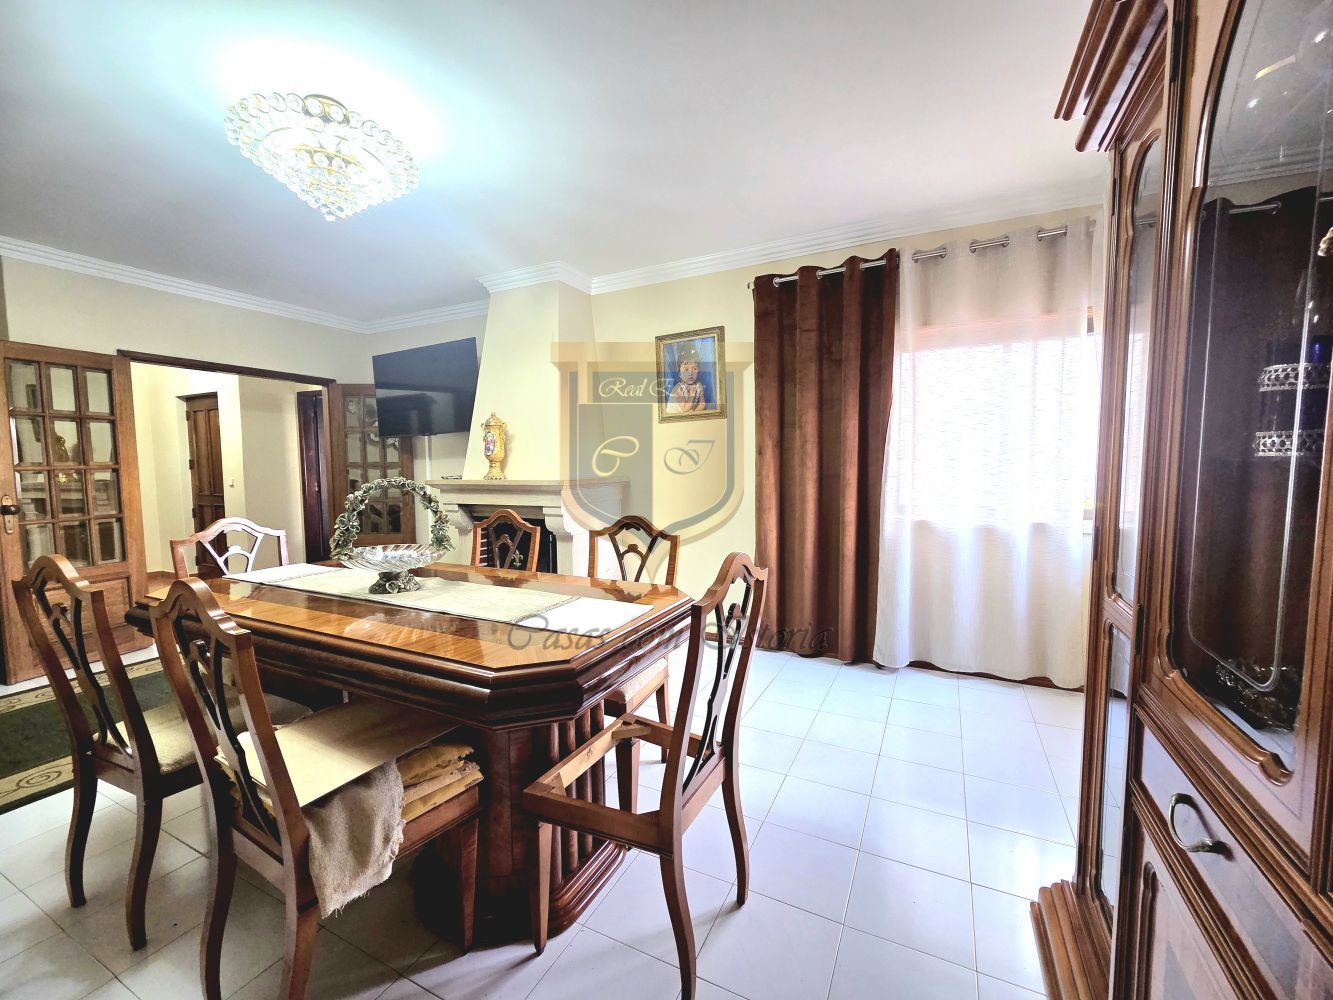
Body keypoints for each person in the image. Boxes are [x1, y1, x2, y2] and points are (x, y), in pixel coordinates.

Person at [666, 344, 709, 414]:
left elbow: (703, 404)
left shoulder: (698, 385)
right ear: (679, 373)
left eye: (694, 369)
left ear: (699, 370)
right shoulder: (678, 388)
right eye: (686, 370)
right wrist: (692, 394)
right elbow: (685, 409)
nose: (691, 373)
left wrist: (694, 412)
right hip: (674, 416)